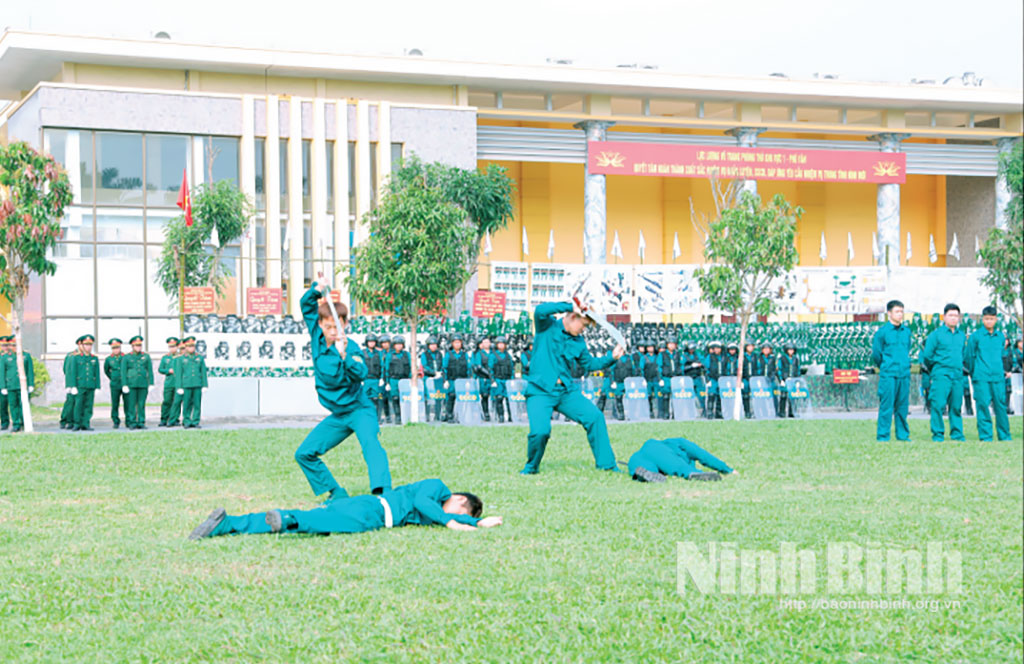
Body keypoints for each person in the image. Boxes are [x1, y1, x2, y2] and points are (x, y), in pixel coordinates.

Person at [293, 282, 391, 501]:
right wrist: (317, 289)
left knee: (371, 445)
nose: (332, 332)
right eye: (327, 327)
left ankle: (383, 493)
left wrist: (344, 355)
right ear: (320, 325)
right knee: (304, 453)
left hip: (359, 410)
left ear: (345, 324)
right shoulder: (317, 338)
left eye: (337, 327)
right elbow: (306, 305)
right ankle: (336, 492)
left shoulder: (352, 348)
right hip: (338, 415)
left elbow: (361, 373)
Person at [188, 479, 502, 540]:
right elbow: (424, 506)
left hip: (363, 507)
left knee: (321, 522)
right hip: (372, 512)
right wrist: (456, 523)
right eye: (464, 513)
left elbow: (436, 515)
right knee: (313, 521)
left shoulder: (439, 512)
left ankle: (229, 524)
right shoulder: (436, 490)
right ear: (461, 500)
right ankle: (287, 518)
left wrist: (474, 524)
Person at [520, 301, 625, 475]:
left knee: (595, 417)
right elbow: (540, 310)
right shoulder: (546, 326)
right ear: (573, 317)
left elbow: (590, 364)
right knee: (540, 432)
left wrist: (612, 357)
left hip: (566, 392)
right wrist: (569, 306)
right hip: (540, 391)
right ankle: (531, 467)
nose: (583, 330)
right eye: (583, 325)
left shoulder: (578, 341)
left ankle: (607, 465)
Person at [965, 306, 1012, 442]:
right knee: (983, 405)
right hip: (981, 378)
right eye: (986, 319)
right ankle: (986, 436)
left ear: (996, 319)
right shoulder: (975, 337)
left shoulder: (1000, 337)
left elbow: (1002, 356)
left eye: (992, 319)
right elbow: (969, 357)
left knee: (1001, 406)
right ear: (982, 319)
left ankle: (1004, 436)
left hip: (998, 377)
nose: (989, 321)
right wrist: (975, 372)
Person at [921, 303, 966, 442]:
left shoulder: (961, 335)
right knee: (938, 404)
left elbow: (963, 354)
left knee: (956, 406)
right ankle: (938, 434)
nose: (953, 318)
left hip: (957, 375)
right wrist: (936, 368)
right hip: (941, 374)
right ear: (944, 317)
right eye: (950, 315)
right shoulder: (936, 335)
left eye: (956, 316)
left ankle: (957, 434)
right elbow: (927, 355)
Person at [627, 437, 737, 483]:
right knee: (679, 467)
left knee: (642, 467)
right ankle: (691, 473)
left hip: (637, 456)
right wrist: (726, 469)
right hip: (657, 449)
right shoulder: (679, 443)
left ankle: (644, 474)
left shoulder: (668, 443)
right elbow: (704, 455)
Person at [172, 336, 208, 429]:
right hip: (186, 384)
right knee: (186, 403)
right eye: (189, 346)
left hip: (197, 383)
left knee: (197, 404)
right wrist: (179, 387)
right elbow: (179, 373)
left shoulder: (199, 358)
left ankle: (195, 421)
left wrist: (205, 384)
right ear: (186, 347)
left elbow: (203, 371)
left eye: (193, 346)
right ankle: (186, 420)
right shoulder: (181, 359)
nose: (191, 348)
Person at [0, 335, 35, 432]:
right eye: (12, 345)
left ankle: (23, 421)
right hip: (11, 385)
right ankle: (16, 423)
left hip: (23, 385)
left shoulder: (26, 356)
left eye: (15, 345)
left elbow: (30, 371)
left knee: (23, 404)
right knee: (13, 405)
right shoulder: (5, 357)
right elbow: (2, 372)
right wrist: (3, 386)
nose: (14, 347)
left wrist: (31, 384)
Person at [121, 335, 154, 430]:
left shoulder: (146, 356)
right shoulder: (127, 357)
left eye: (140, 345)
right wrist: (124, 384)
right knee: (131, 404)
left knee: (141, 404)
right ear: (132, 346)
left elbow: (150, 370)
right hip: (131, 383)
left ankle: (141, 421)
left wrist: (151, 383)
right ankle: (132, 422)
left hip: (143, 383)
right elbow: (123, 372)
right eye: (136, 345)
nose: (138, 347)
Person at [70, 334, 100, 431]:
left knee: (88, 405)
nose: (88, 347)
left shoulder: (94, 358)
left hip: (90, 385)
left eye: (90, 345)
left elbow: (97, 373)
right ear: (82, 346)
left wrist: (97, 386)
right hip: (80, 385)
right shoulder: (76, 358)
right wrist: (73, 386)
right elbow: (73, 373)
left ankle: (86, 423)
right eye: (86, 345)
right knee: (78, 405)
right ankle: (77, 423)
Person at [442, 334, 470, 424]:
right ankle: (449, 414)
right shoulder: (448, 355)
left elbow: (469, 368)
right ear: (452, 344)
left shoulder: (464, 355)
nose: (457, 344)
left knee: (462, 397)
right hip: (452, 380)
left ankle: (460, 415)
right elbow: (444, 368)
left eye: (459, 342)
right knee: (451, 396)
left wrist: (469, 379)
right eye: (455, 342)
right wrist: (445, 380)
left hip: (462, 379)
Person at [385, 335, 410, 425]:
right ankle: (398, 416)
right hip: (394, 379)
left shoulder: (407, 354)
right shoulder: (390, 355)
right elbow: (386, 369)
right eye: (397, 344)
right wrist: (387, 382)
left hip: (405, 379)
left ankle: (406, 415)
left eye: (400, 344)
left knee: (406, 398)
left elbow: (410, 367)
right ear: (393, 345)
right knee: (395, 398)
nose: (399, 346)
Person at [420, 336, 445, 422]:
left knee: (439, 396)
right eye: (431, 344)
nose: (433, 346)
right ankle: (427, 415)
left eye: (435, 344)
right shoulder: (424, 354)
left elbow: (442, 364)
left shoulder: (439, 354)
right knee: (427, 396)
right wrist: (434, 373)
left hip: (438, 377)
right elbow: (425, 366)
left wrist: (440, 372)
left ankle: (437, 415)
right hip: (428, 377)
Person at [489, 336, 514, 423]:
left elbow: (511, 368)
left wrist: (512, 379)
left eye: (503, 344)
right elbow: (490, 369)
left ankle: (511, 416)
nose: (501, 345)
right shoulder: (493, 355)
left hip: (507, 380)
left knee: (509, 399)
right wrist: (492, 380)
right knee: (499, 398)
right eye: (499, 344)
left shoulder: (508, 355)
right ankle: (501, 416)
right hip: (498, 380)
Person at [362, 334, 385, 423]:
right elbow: (360, 366)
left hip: (376, 380)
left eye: (373, 342)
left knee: (377, 400)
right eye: (370, 342)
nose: (371, 343)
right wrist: (360, 379)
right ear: (367, 343)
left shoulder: (379, 353)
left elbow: (382, 366)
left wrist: (382, 379)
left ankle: (377, 418)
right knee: (365, 400)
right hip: (366, 380)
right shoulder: (362, 353)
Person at [60, 338, 82, 430]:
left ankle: (73, 421)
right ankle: (65, 420)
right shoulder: (71, 355)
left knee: (77, 404)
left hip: (80, 383)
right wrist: (69, 384)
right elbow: (67, 369)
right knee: (70, 403)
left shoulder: (84, 356)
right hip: (71, 383)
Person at [103, 338, 125, 429]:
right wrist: (112, 377)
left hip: (125, 383)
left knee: (127, 403)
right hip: (115, 384)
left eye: (117, 348)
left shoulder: (125, 357)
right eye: (114, 348)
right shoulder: (109, 359)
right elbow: (106, 370)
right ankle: (115, 420)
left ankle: (129, 420)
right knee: (115, 403)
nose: (116, 350)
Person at [158, 337, 180, 427]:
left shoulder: (181, 357)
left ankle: (175, 419)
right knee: (167, 401)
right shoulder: (165, 358)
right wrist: (168, 371)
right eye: (170, 347)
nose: (172, 349)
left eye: (174, 346)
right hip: (169, 382)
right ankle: (164, 419)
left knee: (177, 402)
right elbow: (160, 369)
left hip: (178, 382)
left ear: (177, 347)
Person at [657, 340, 682, 420]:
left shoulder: (677, 354)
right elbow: (659, 367)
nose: (672, 346)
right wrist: (660, 378)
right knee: (666, 396)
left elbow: (680, 365)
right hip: (666, 377)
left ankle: (676, 414)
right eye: (670, 344)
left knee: (676, 396)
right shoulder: (662, 354)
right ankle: (666, 414)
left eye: (674, 344)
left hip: (676, 377)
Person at [472, 337, 494, 422]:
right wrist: (489, 375)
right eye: (484, 342)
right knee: (484, 396)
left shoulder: (493, 353)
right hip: (484, 378)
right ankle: (486, 413)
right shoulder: (479, 354)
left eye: (488, 342)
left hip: (494, 378)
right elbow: (479, 366)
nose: (486, 344)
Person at [777, 342, 802, 418]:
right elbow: (779, 369)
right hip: (785, 380)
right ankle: (782, 412)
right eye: (789, 350)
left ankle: (792, 412)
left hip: (793, 380)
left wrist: (798, 380)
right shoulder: (782, 358)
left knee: (793, 396)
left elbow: (798, 370)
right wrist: (781, 380)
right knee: (783, 396)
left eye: (792, 350)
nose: (791, 351)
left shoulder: (796, 359)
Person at [607, 350, 633, 421]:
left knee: (630, 397)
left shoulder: (629, 358)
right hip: (618, 382)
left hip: (628, 382)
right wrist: (612, 381)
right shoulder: (616, 359)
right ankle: (621, 414)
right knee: (618, 397)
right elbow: (611, 371)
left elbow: (633, 369)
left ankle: (630, 414)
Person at [753, 342, 778, 417]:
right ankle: (762, 413)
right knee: (760, 396)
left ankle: (775, 412)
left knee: (774, 395)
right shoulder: (758, 358)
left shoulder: (773, 358)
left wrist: (773, 376)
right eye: (765, 349)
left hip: (770, 379)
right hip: (760, 379)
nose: (766, 350)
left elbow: (775, 369)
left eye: (768, 349)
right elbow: (756, 368)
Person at [682, 343, 706, 418]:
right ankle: (689, 412)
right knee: (688, 396)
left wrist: (700, 364)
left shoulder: (697, 354)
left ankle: (703, 411)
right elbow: (682, 367)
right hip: (688, 377)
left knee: (702, 394)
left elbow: (703, 362)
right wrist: (691, 366)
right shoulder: (684, 356)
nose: (692, 350)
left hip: (697, 377)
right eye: (690, 349)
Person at [703, 341, 725, 419]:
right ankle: (709, 412)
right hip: (713, 378)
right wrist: (707, 379)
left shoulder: (724, 357)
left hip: (722, 379)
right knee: (711, 394)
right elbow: (706, 368)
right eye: (715, 348)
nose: (717, 350)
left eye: (718, 348)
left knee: (720, 395)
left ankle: (718, 412)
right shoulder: (710, 357)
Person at [640, 341, 660, 419]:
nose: (650, 349)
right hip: (647, 379)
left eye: (651, 347)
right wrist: (643, 379)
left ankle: (659, 412)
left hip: (656, 379)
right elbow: (641, 369)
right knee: (648, 396)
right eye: (648, 347)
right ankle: (650, 412)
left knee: (658, 396)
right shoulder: (644, 357)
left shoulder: (657, 357)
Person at [377, 336, 393, 424]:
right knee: (382, 398)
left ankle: (391, 415)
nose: (385, 344)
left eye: (386, 342)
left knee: (393, 398)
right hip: (382, 378)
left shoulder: (392, 353)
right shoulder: (380, 353)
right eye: (383, 343)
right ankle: (384, 416)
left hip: (391, 377)